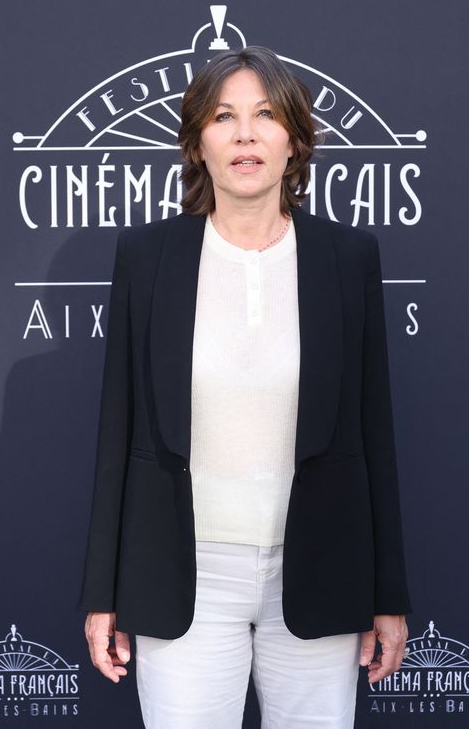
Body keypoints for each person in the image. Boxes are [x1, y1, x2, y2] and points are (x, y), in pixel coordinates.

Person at [78, 45, 411, 729]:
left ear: (294, 139)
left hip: (318, 570)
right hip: (183, 574)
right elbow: (120, 431)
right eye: (224, 117)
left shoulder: (348, 259)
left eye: (265, 115)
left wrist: (388, 594)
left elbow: (374, 436)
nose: (245, 134)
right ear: (197, 141)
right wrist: (102, 592)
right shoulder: (148, 257)